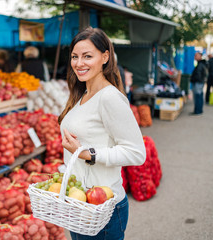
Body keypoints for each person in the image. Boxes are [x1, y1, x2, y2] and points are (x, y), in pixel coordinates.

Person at [58, 27, 146, 240]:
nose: (79, 63)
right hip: (80, 203)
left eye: (88, 56)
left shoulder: (109, 98)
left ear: (105, 57)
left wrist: (88, 154)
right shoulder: (83, 94)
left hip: (103, 208)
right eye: (75, 57)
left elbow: (137, 153)